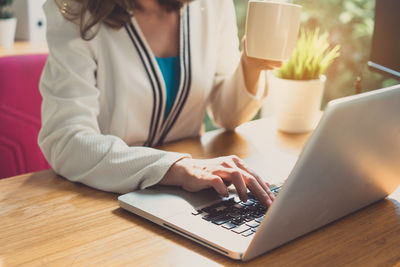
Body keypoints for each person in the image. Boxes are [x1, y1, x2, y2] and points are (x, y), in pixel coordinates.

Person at [39, 0, 282, 207]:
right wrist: (176, 167)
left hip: (185, 199)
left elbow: (225, 114)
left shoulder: (212, 4)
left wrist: (251, 67)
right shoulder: (76, 11)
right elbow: (65, 139)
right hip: (102, 200)